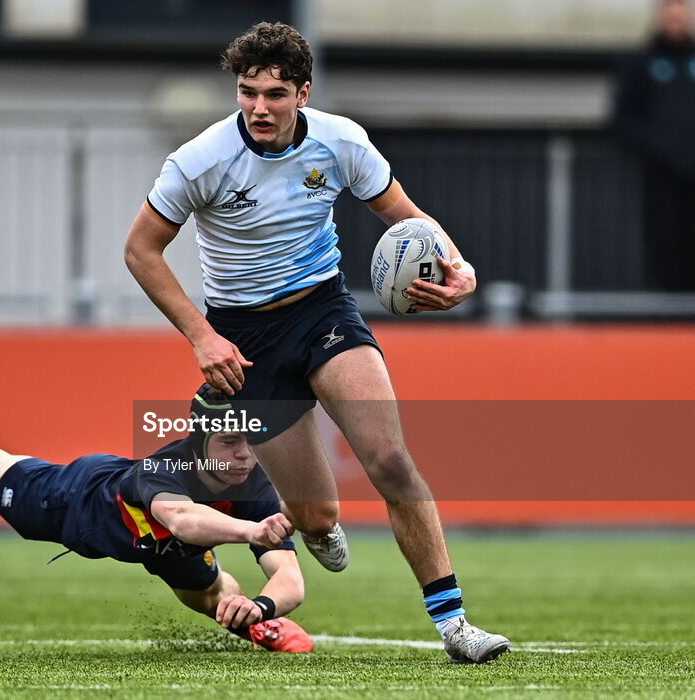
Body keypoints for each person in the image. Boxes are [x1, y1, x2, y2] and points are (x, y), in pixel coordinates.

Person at [123, 22, 509, 663]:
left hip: (324, 312)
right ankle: (316, 527)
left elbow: (404, 216)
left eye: (274, 94)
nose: (258, 108)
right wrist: (201, 336)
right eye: (247, 92)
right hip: (243, 339)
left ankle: (455, 625)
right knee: (317, 516)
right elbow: (141, 250)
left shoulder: (342, 141)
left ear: (304, 92)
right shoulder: (200, 159)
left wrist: (458, 267)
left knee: (389, 460)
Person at [0, 312, 313, 653]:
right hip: (79, 500)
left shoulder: (253, 481)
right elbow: (183, 518)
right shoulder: (166, 471)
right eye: (231, 441)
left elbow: (290, 578)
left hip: (164, 549)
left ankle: (249, 627)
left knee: (211, 596)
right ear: (201, 435)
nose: (244, 454)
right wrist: (251, 532)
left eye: (252, 439)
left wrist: (263, 605)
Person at [614, 0, 695, 291]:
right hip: (660, 178)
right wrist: (665, 153)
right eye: (670, 15)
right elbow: (625, 118)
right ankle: (664, 316)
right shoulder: (641, 63)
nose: (676, 21)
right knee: (664, 242)